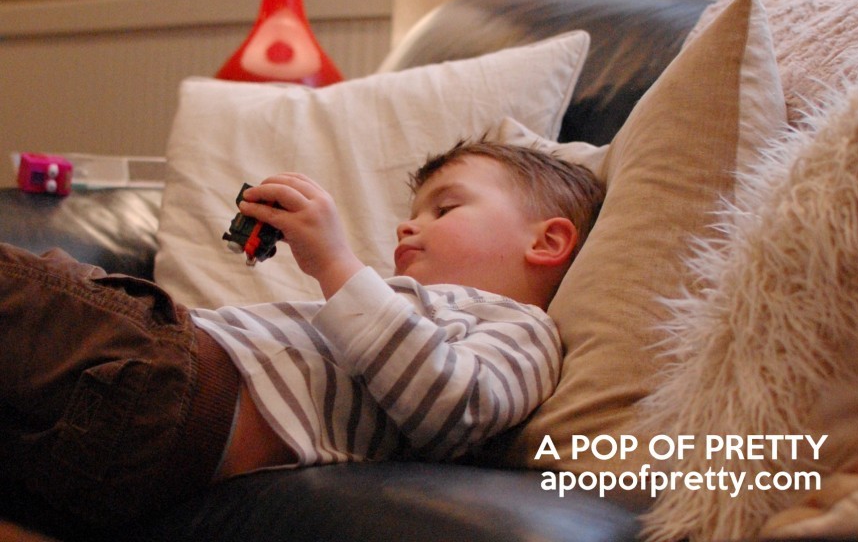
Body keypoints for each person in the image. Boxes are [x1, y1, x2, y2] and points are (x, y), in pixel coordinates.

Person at [0, 140, 603, 533]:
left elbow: (457, 410)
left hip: (178, 389)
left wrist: (336, 263)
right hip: (129, 432)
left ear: (546, 243)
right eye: (413, 212)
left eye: (444, 210)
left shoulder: (520, 329)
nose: (409, 224)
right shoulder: (397, 303)